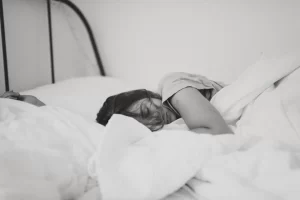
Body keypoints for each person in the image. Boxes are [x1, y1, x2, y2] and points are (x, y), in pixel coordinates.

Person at [96, 72, 233, 135]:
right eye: (145, 126)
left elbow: (219, 132)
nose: (155, 119)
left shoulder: (173, 86)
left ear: (145, 95)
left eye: (145, 111)